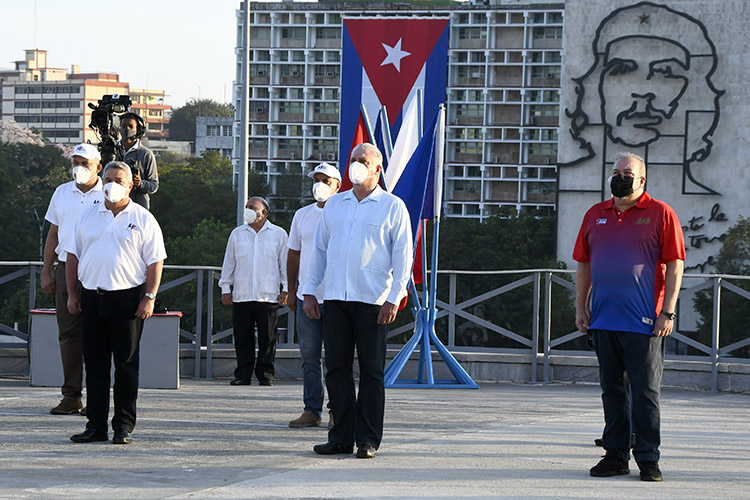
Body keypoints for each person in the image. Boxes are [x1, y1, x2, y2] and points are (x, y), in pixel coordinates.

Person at [574, 152, 685, 481]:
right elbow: (583, 263)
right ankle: (615, 456)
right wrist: (581, 308)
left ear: (642, 180)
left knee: (646, 392)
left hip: (645, 321)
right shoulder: (596, 214)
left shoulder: (660, 213)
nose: (620, 177)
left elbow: (676, 263)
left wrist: (669, 312)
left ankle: (648, 458)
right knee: (612, 391)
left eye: (628, 172)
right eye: (616, 171)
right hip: (604, 319)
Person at [301, 143, 413, 459]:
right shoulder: (335, 205)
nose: (357, 165)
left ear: (378, 169)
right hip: (335, 297)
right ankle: (340, 437)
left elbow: (403, 256)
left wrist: (395, 298)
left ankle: (367, 439)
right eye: (353, 160)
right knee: (335, 369)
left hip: (373, 301)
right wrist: (310, 291)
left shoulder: (392, 206)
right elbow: (319, 251)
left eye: (363, 161)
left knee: (371, 371)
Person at [561, 2, 723, 195]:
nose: (643, 91)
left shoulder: (671, 212)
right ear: (594, 87)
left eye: (665, 72)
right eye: (622, 70)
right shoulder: (582, 196)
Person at [66, 161, 166, 445]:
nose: (112, 183)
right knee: (95, 366)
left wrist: (149, 297)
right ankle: (95, 426)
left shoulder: (144, 218)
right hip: (91, 299)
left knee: (125, 366)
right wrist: (73, 294)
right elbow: (72, 256)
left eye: (119, 180)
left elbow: (155, 262)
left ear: (131, 184)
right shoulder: (87, 215)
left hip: (127, 301)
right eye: (108, 178)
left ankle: (123, 426)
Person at [41, 143, 104, 415]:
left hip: (97, 270)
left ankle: (98, 398)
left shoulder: (109, 193)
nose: (78, 168)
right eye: (75, 162)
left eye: (85, 163)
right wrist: (46, 270)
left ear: (97, 167)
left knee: (98, 336)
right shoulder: (61, 192)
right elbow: (54, 233)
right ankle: (71, 395)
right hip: (65, 267)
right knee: (68, 334)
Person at [287, 163, 342, 429]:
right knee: (309, 356)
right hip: (307, 296)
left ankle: (336, 410)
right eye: (316, 179)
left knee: (335, 358)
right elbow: (294, 253)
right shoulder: (302, 215)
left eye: (325, 180)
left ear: (337, 186)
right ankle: (312, 409)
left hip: (336, 297)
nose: (319, 184)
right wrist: (292, 289)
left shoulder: (342, 213)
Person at [219, 197, 288, 386]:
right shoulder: (237, 234)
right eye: (247, 207)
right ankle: (243, 374)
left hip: (268, 295)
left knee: (268, 338)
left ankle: (266, 374)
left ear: (263, 213)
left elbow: (285, 264)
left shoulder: (279, 234)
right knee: (242, 337)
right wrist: (226, 288)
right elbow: (229, 263)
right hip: (242, 294)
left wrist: (287, 288)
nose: (248, 210)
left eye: (252, 208)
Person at [119, 112, 159, 209]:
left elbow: (154, 185)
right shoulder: (111, 151)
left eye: (130, 126)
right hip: (114, 206)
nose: (127, 129)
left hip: (138, 207)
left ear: (138, 130)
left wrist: (141, 183)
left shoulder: (146, 154)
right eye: (124, 126)